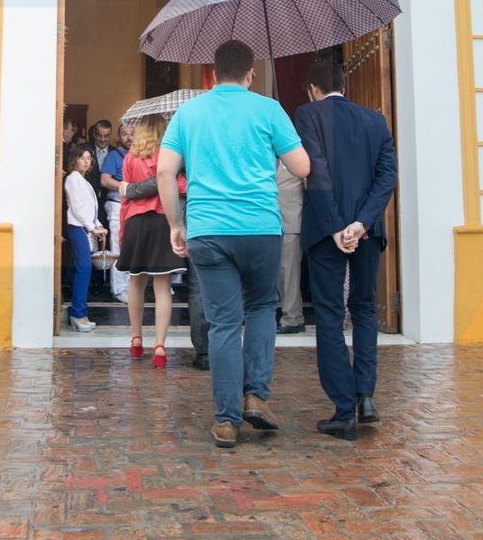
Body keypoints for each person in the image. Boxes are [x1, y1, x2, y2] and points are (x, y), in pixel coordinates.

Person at [157, 40, 311, 448]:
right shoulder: (268, 109)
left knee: (224, 322)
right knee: (262, 308)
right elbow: (302, 166)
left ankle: (227, 420)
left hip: (208, 228)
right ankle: (256, 396)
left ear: (213, 71)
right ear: (250, 72)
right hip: (260, 227)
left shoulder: (189, 113)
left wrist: (176, 223)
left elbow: (164, 172)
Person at [293, 58, 397, 441]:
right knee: (365, 308)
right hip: (367, 229)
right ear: (343, 84)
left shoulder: (308, 114)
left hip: (326, 229)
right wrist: (362, 222)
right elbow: (387, 176)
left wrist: (338, 226)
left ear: (313, 89)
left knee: (330, 313)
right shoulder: (376, 120)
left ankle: (342, 408)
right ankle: (365, 396)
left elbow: (316, 171)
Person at [117, 114, 186, 368]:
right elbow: (179, 185)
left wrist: (123, 233)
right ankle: (159, 346)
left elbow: (125, 200)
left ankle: (136, 339)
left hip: (136, 222)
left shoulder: (129, 158)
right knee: (162, 285)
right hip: (162, 220)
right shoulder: (167, 156)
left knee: (135, 282)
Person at [63, 145, 105, 332]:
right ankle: (78, 313)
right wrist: (92, 228)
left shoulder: (83, 180)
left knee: (84, 269)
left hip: (85, 227)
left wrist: (97, 225)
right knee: (84, 268)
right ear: (75, 160)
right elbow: (77, 209)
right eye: (82, 158)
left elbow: (90, 209)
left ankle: (80, 313)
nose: (87, 161)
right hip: (77, 227)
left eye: (89, 158)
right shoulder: (72, 179)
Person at [99, 122, 135, 303]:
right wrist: (124, 187)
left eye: (132, 133)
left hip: (135, 206)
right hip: (117, 204)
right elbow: (105, 180)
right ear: (118, 137)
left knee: (132, 248)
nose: (128, 137)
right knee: (117, 247)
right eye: (124, 133)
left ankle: (131, 286)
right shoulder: (114, 155)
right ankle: (119, 288)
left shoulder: (139, 155)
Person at [276, 163, 306, 333]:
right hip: (261, 220)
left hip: (291, 220)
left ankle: (292, 318)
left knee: (289, 271)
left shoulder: (298, 153)